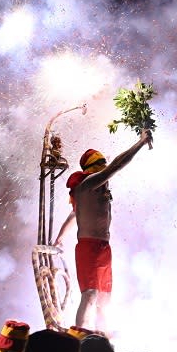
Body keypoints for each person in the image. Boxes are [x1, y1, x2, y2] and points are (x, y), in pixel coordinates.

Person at [53, 128, 153, 332]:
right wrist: (140, 143)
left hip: (103, 248)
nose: (105, 173)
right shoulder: (87, 184)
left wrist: (60, 237)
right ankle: (78, 338)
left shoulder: (100, 189)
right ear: (94, 170)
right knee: (90, 294)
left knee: (105, 298)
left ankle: (101, 337)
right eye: (102, 168)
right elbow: (116, 166)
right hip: (88, 247)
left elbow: (74, 215)